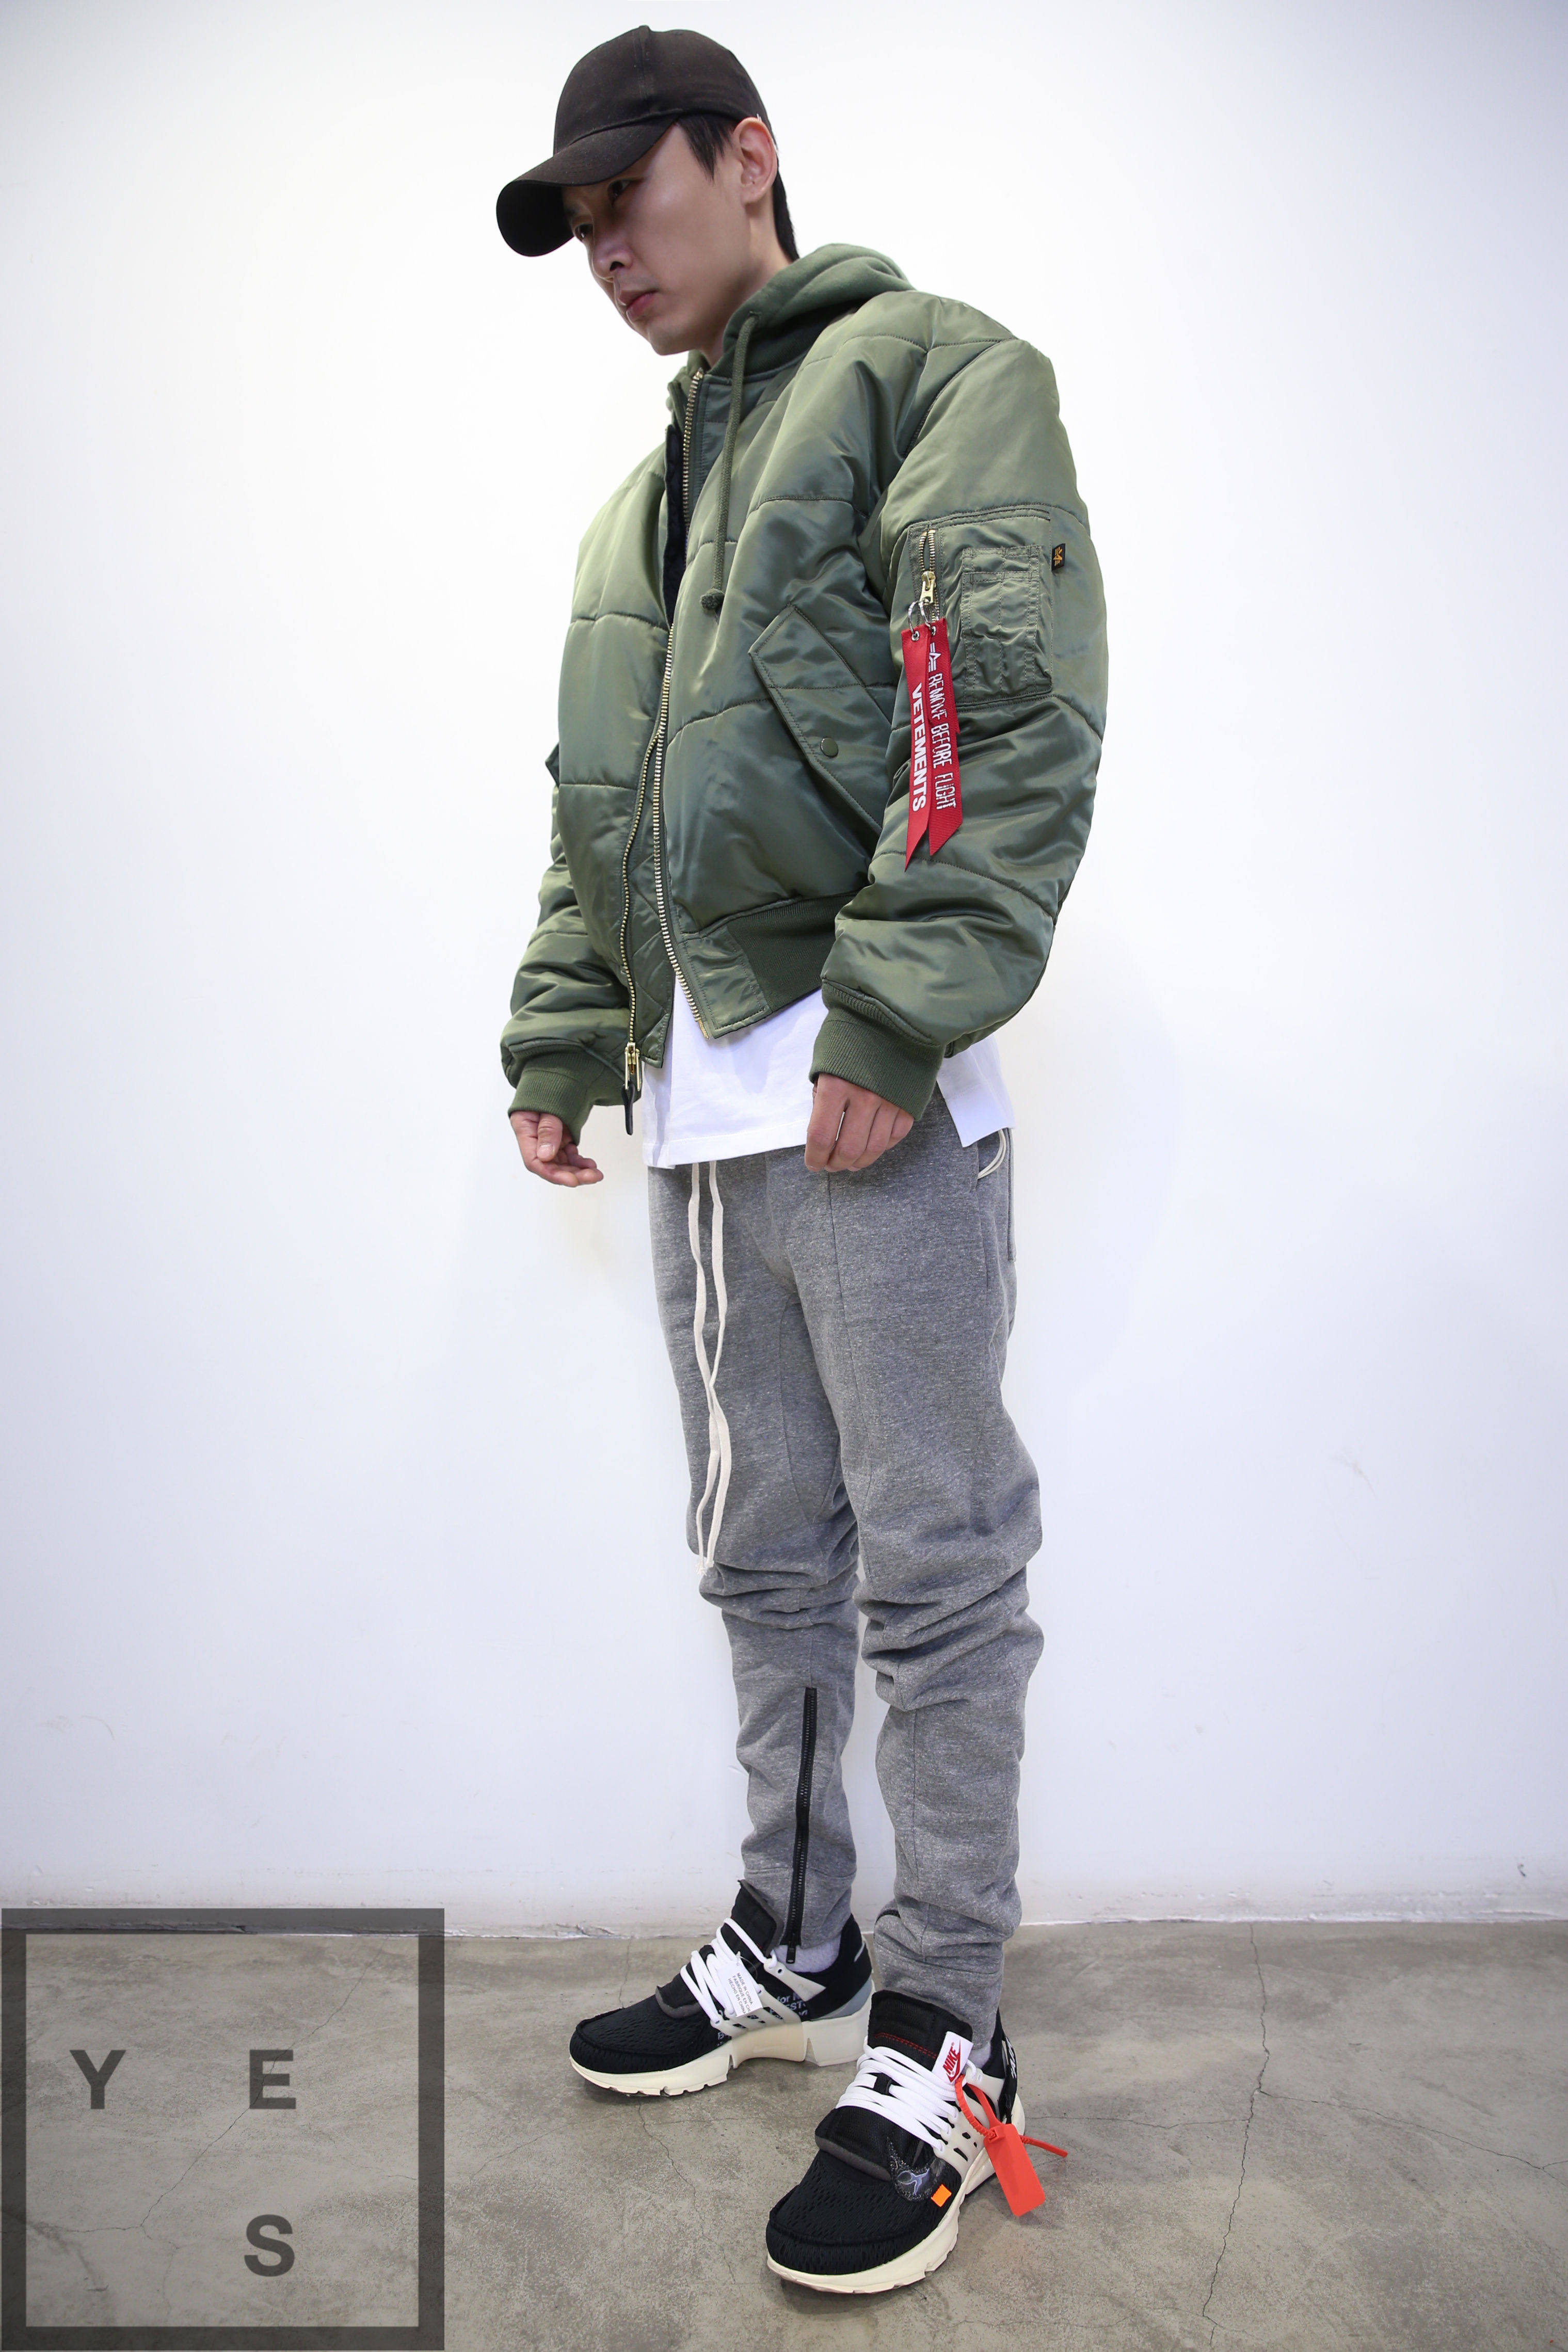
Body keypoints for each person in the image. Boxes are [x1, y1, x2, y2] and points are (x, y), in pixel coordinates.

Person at [494, 24, 1107, 2296]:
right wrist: (566, 1027)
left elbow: (990, 706)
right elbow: (604, 810)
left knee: (933, 1569)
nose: (605, 250)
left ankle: (948, 2030)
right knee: (764, 1552)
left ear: (745, 158)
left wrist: (901, 1003)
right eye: (574, 224)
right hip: (704, 1118)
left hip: (870, 1094)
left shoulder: (932, 377)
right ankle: (798, 1936)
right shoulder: (640, 503)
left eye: (627, 197)